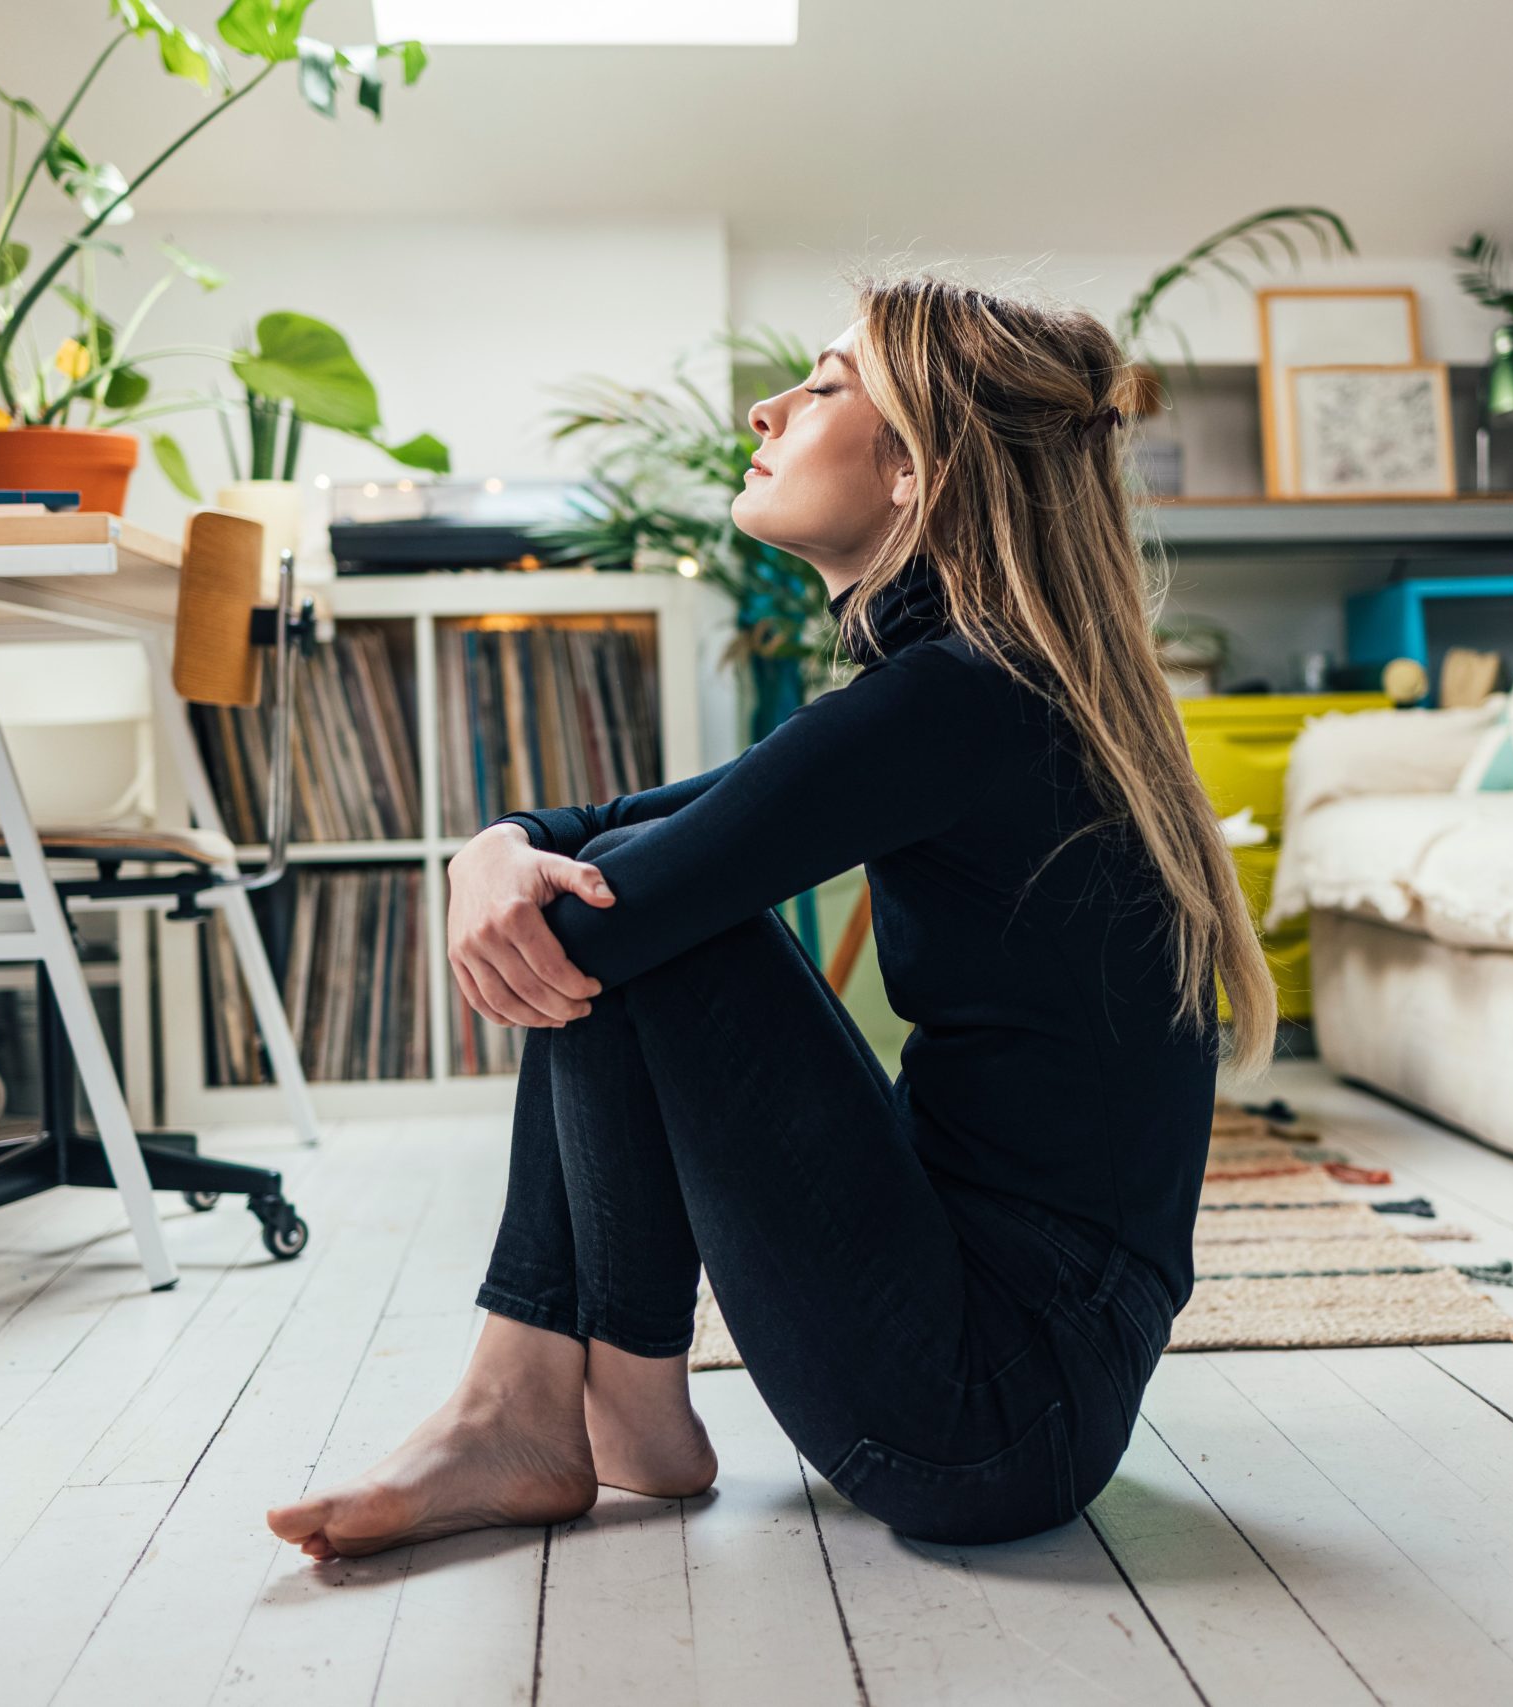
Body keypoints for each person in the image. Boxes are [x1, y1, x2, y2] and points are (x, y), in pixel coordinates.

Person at [266, 273, 1278, 1558]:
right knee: (639, 883)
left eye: (820, 385)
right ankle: (585, 1406)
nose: (765, 407)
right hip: (1017, 1394)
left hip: (985, 1417)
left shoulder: (962, 699)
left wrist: (522, 866)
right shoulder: (987, 685)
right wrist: (493, 846)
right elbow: (618, 832)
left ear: (914, 466)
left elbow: (608, 902)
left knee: (636, 909)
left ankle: (541, 1404)